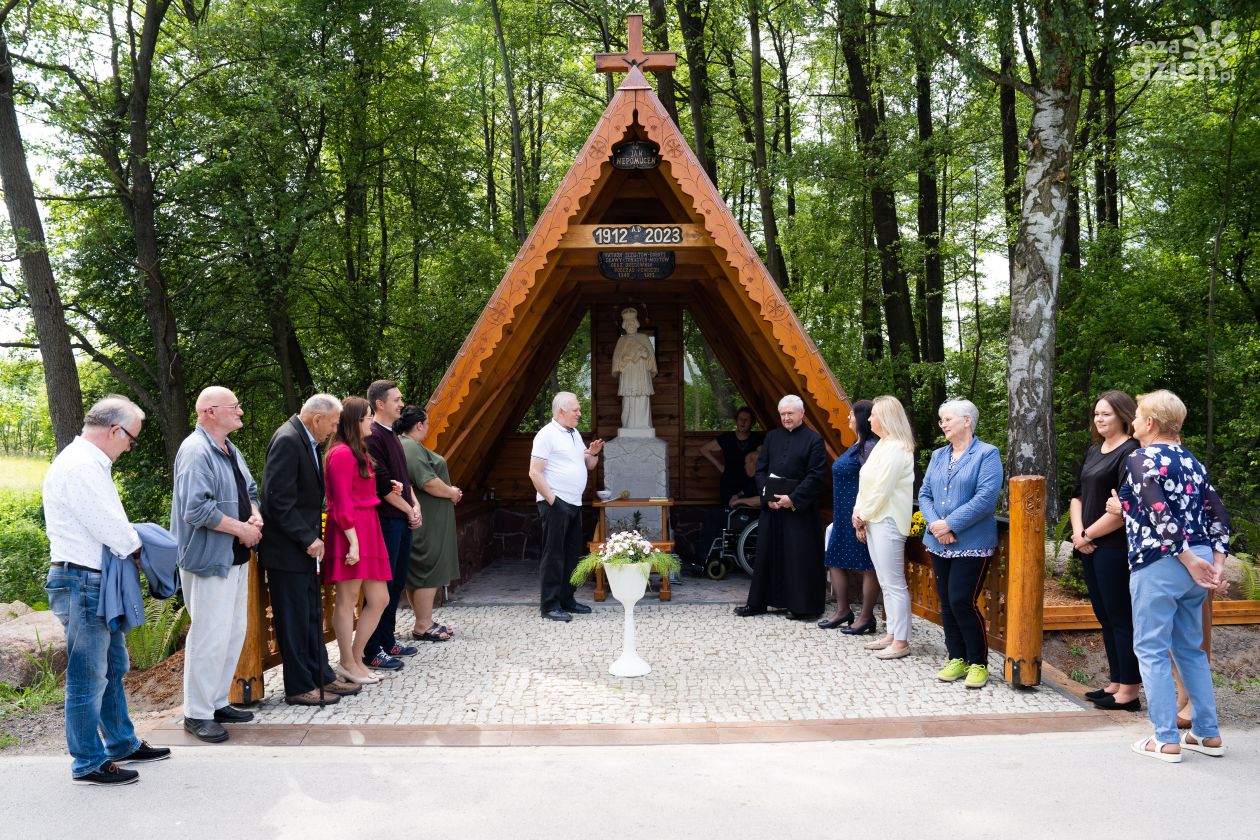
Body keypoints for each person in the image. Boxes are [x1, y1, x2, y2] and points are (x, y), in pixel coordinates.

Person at [43, 396, 171, 785]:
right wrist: (145, 548)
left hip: (91, 580)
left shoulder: (85, 462)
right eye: (131, 438)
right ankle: (87, 761)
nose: (130, 446)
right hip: (82, 581)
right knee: (88, 674)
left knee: (113, 667)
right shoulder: (82, 466)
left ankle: (121, 742)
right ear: (115, 430)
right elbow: (111, 528)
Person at [1116, 390, 1228, 762]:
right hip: (1197, 560)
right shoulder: (1192, 461)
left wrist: (1183, 556)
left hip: (1161, 560)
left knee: (1150, 648)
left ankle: (1165, 739)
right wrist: (1216, 561)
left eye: (1137, 417)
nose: (1132, 422)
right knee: (1189, 649)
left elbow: (1158, 510)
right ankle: (1208, 734)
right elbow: (1217, 511)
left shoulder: (1140, 458)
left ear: (1149, 423)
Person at [172, 386, 262, 743]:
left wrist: (254, 519)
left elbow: (250, 492)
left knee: (232, 631)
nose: (240, 412)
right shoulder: (195, 452)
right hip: (208, 557)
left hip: (236, 555)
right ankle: (196, 713)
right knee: (209, 634)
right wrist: (242, 529)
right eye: (234, 407)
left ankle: (216, 701)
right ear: (209, 411)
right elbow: (196, 509)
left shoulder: (230, 449)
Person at [258, 394, 361, 707]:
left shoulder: (306, 441)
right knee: (294, 619)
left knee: (311, 616)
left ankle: (322, 676)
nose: (332, 431)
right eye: (331, 424)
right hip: (288, 550)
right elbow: (277, 499)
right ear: (317, 418)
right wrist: (307, 537)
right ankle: (300, 686)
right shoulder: (288, 440)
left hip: (302, 550)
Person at [918, 399, 1003, 688]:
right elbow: (925, 492)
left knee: (961, 600)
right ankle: (957, 657)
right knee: (946, 602)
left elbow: (986, 498)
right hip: (939, 541)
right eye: (941, 419)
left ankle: (978, 662)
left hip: (972, 540)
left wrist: (950, 523)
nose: (942, 424)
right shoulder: (938, 455)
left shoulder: (987, 454)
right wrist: (936, 525)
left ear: (967, 421)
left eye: (948, 419)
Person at [1069, 391, 1142, 710]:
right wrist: (1078, 534)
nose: (1099, 419)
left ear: (1123, 416)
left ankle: (1129, 692)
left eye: (1106, 414)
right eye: (1097, 414)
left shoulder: (1131, 452)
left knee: (1120, 616)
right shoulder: (1093, 451)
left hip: (1114, 547)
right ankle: (1115, 682)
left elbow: (1123, 509)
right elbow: (1077, 495)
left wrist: (1087, 533)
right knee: (1104, 616)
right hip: (1088, 546)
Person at [735, 395, 828, 619]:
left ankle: (800, 606)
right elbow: (761, 470)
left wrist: (793, 498)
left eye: (790, 413)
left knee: (798, 557)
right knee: (766, 554)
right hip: (773, 508)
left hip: (798, 511)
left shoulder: (814, 440)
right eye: (783, 414)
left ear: (801, 414)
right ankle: (758, 603)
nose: (786, 418)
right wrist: (768, 497)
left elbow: (816, 476)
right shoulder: (772, 437)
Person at [323, 396, 393, 684]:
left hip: (368, 527)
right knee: (348, 599)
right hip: (349, 531)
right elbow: (340, 501)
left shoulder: (357, 452)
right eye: (366, 418)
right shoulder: (340, 454)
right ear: (353, 422)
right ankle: (347, 662)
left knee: (380, 598)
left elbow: (359, 492)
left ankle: (356, 656)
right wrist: (352, 541)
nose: (371, 423)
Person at [362, 379, 422, 671]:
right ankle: (372, 649)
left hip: (401, 517)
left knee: (397, 581)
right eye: (396, 400)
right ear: (380, 404)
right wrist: (409, 509)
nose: (401, 403)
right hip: (386, 522)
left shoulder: (392, 435)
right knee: (382, 586)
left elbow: (404, 479)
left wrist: (415, 506)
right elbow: (383, 485)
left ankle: (387, 640)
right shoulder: (372, 436)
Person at [529, 391, 604, 621]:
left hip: (574, 503)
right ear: (561, 411)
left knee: (572, 554)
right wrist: (553, 501)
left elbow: (589, 465)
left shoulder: (574, 434)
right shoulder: (546, 435)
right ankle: (549, 605)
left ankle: (567, 599)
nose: (579, 414)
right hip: (556, 503)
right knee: (554, 555)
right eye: (576, 410)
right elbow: (534, 472)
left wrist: (593, 454)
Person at [851, 395, 916, 660]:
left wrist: (863, 514)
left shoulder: (899, 447)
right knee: (885, 582)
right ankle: (892, 634)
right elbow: (865, 483)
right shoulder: (882, 445)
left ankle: (902, 641)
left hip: (888, 521)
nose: (868, 419)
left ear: (887, 417)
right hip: (873, 519)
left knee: (894, 583)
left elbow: (883, 490)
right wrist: (858, 512)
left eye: (873, 414)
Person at [396, 406, 461, 642]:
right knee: (428, 568)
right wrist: (452, 493)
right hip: (428, 522)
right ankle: (423, 625)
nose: (428, 427)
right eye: (427, 423)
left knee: (421, 572)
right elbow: (427, 482)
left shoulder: (409, 445)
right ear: (420, 425)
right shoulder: (409, 446)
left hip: (432, 519)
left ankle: (424, 620)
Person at [819, 400, 880, 633]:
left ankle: (866, 618)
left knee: (867, 566)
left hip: (860, 516)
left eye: (851, 415)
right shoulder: (856, 444)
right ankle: (843, 611)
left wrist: (862, 517)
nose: (848, 419)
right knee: (833, 559)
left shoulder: (871, 446)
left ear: (862, 418)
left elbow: (872, 483)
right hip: (843, 515)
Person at [700, 407, 764, 506]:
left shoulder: (758, 439)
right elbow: (704, 449)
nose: (743, 422)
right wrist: (719, 465)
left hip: (749, 485)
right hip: (729, 483)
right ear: (736, 421)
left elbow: (764, 459)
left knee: (746, 514)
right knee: (728, 512)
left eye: (746, 420)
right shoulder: (727, 438)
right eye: (740, 419)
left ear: (751, 422)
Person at [611, 307, 657, 430]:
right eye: (628, 324)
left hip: (641, 373)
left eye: (632, 323)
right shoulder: (622, 340)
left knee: (642, 396)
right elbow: (617, 361)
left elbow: (651, 358)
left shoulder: (643, 338)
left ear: (637, 324)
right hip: (628, 373)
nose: (630, 325)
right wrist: (626, 358)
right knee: (628, 398)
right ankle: (628, 425)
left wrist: (645, 355)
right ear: (624, 326)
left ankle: (644, 425)